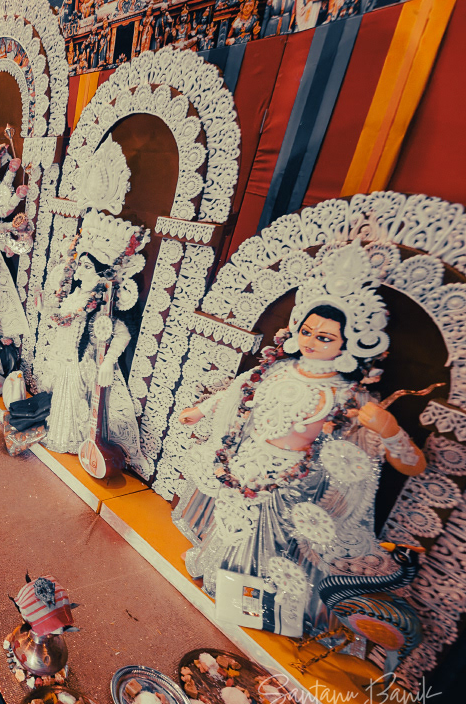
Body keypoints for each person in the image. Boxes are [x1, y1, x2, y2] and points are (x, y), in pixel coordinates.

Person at [173, 244, 426, 622]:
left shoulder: (346, 394)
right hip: (245, 463)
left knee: (266, 543)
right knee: (229, 527)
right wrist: (202, 410)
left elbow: (413, 465)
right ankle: (215, 574)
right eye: (307, 331)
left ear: (349, 342)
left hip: (290, 480)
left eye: (325, 338)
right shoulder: (277, 370)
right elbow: (241, 390)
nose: (310, 340)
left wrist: (388, 430)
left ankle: (250, 603)